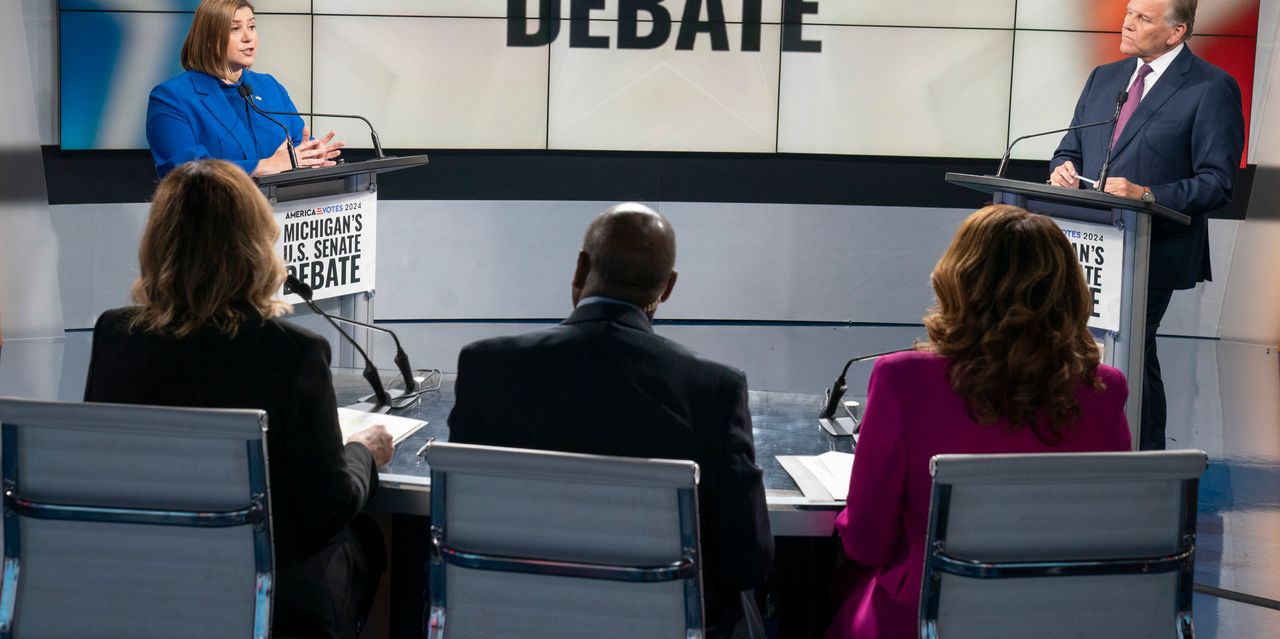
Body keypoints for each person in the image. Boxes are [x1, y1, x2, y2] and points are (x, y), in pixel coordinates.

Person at [86, 159, 393, 639]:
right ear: (256, 246)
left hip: (143, 587)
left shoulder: (115, 336)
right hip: (265, 602)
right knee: (368, 540)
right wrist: (363, 451)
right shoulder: (292, 354)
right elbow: (327, 508)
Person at [448, 203, 774, 639]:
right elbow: (747, 558)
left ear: (580, 268)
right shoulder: (712, 389)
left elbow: (460, 518)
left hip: (512, 621)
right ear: (669, 287)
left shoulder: (486, 367)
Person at [825, 204, 1131, 639]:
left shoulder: (902, 379)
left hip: (927, 619)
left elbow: (866, 541)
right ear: (1067, 289)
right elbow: (1111, 535)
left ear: (958, 279)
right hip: (1057, 621)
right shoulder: (1104, 390)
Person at [1049, 0, 1244, 449]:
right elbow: (1067, 149)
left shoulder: (1211, 88)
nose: (1128, 23)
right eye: (1129, 12)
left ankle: (1147, 456)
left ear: (1177, 32)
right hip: (1089, 245)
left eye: (1143, 17)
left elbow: (1218, 183)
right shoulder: (1105, 77)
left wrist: (1147, 195)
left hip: (1152, 248)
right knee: (1092, 350)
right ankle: (1092, 444)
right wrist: (1062, 171)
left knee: (1132, 350)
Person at [146, 0, 343, 177]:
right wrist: (265, 166)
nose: (248, 37)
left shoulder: (269, 87)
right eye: (235, 29)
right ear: (208, 39)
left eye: (251, 26)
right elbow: (184, 171)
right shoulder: (172, 97)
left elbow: (298, 147)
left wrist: (313, 156)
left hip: (279, 208)